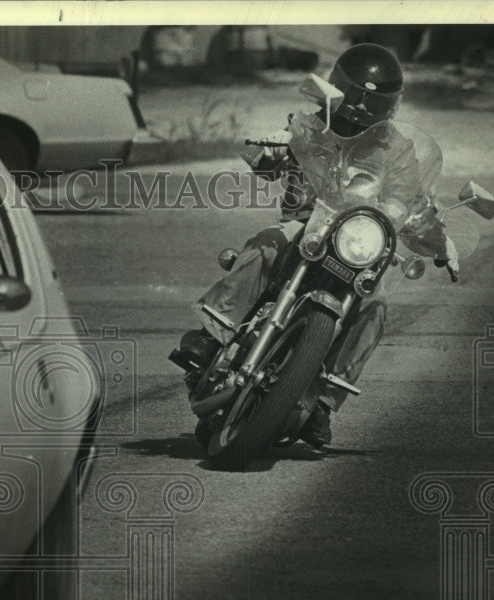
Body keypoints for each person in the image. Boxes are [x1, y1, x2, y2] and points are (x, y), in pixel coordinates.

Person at [178, 43, 457, 448]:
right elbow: (267, 155)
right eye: (356, 97)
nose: (362, 108)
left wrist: (438, 238)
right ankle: (213, 336)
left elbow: (409, 198)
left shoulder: (398, 149)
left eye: (375, 102)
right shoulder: (311, 124)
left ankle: (322, 401)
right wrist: (270, 149)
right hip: (306, 225)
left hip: (357, 239)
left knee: (375, 304)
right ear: (337, 88)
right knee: (269, 242)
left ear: (392, 105)